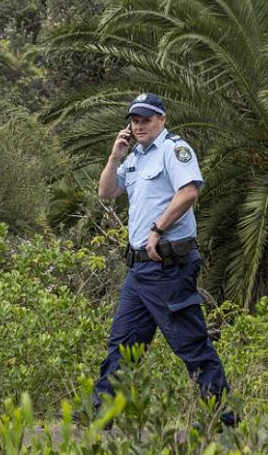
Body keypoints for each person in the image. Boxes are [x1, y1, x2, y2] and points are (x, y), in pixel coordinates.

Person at [93, 92, 235, 427]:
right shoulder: (135, 156)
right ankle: (100, 417)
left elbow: (189, 192)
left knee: (191, 344)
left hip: (168, 267)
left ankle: (225, 419)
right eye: (135, 120)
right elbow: (106, 192)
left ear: (162, 120)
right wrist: (114, 158)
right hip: (139, 270)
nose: (139, 125)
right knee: (122, 345)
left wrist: (158, 228)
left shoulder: (173, 150)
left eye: (146, 119)